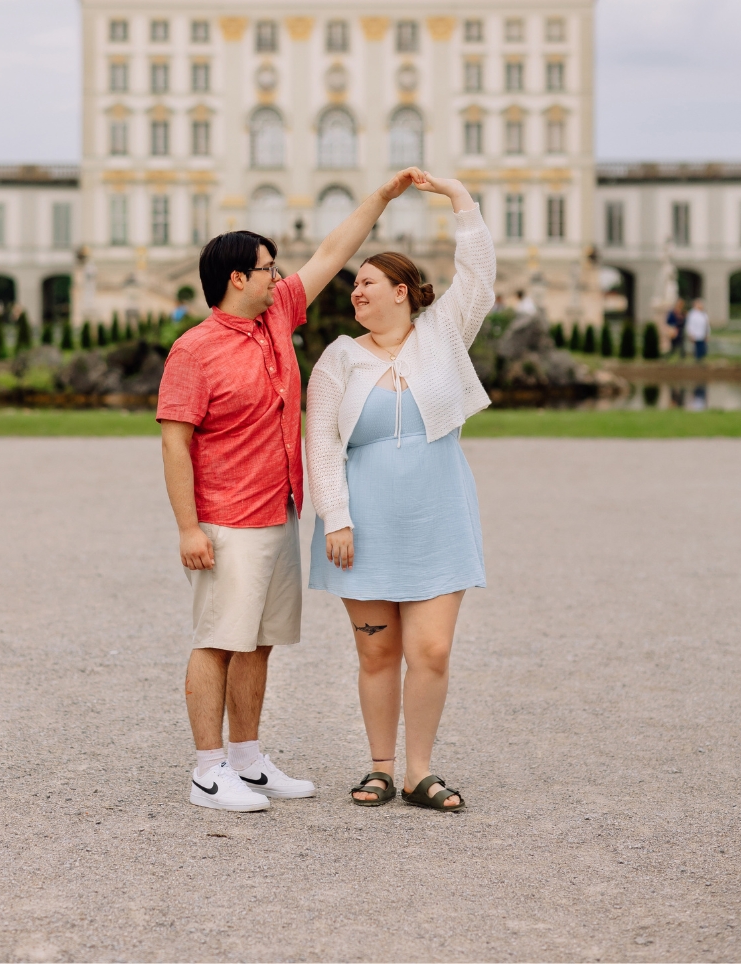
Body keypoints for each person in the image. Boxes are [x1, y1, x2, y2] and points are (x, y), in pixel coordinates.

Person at [157, 168, 425, 813]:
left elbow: (333, 250)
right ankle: (206, 768)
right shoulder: (194, 350)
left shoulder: (277, 314)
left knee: (260, 640)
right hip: (225, 517)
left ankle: (247, 759)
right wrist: (189, 528)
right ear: (236, 278)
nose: (280, 276)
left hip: (279, 510)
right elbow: (173, 442)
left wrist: (382, 198)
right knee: (219, 639)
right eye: (268, 268)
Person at [305, 173, 495, 813]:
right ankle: (381, 768)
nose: (353, 291)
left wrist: (458, 199)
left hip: (438, 511)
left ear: (402, 292)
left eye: (366, 282)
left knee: (432, 649)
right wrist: (335, 515)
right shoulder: (337, 358)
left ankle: (421, 773)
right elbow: (323, 442)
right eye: (352, 283)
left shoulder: (443, 336)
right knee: (378, 649)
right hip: (364, 521)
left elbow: (479, 280)